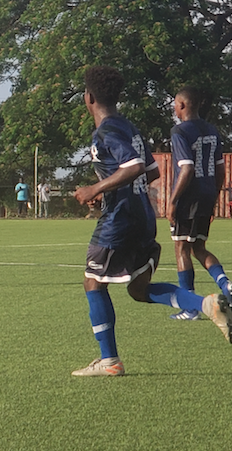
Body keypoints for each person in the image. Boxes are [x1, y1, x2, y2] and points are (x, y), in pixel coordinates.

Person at [71, 66, 232, 377]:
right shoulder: (128, 126)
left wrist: (96, 187)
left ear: (88, 98)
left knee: (92, 282)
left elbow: (132, 167)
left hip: (119, 220)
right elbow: (152, 171)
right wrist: (108, 188)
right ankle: (207, 305)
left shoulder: (106, 131)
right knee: (139, 289)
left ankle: (109, 361)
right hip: (143, 217)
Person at [166, 86, 231, 320]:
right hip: (205, 194)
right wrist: (213, 196)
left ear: (182, 105)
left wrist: (173, 201)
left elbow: (186, 168)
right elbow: (221, 169)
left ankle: (190, 307)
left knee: (181, 247)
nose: (174, 108)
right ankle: (228, 287)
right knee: (198, 247)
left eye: (175, 103)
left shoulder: (180, 131)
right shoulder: (213, 130)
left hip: (189, 196)